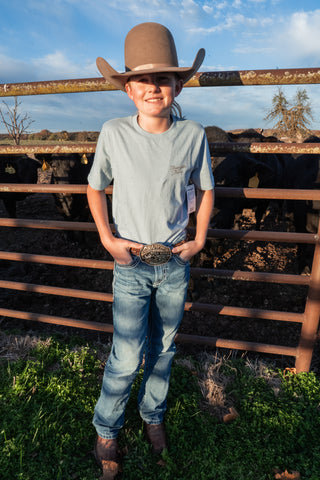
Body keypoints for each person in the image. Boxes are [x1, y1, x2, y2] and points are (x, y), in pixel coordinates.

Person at [87, 21, 214, 477]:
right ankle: (107, 425)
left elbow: (205, 187)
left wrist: (198, 239)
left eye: (164, 78)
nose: (154, 87)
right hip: (132, 263)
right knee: (126, 351)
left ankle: (153, 416)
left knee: (163, 347)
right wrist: (107, 239)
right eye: (143, 79)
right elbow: (95, 187)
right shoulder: (114, 132)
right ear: (128, 89)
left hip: (174, 261)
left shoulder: (193, 134)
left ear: (179, 85)